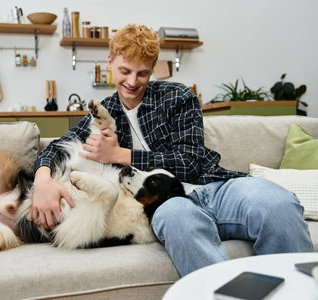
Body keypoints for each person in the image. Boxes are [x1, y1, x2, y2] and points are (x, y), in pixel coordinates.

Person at [32, 24, 313, 276]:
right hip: (167, 205)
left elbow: (189, 163)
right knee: (179, 220)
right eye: (124, 71)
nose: (132, 81)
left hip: (214, 188)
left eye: (142, 73)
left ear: (153, 68)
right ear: (110, 63)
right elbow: (56, 146)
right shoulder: (104, 111)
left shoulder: (178, 97)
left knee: (278, 204)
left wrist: (119, 154)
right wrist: (43, 180)